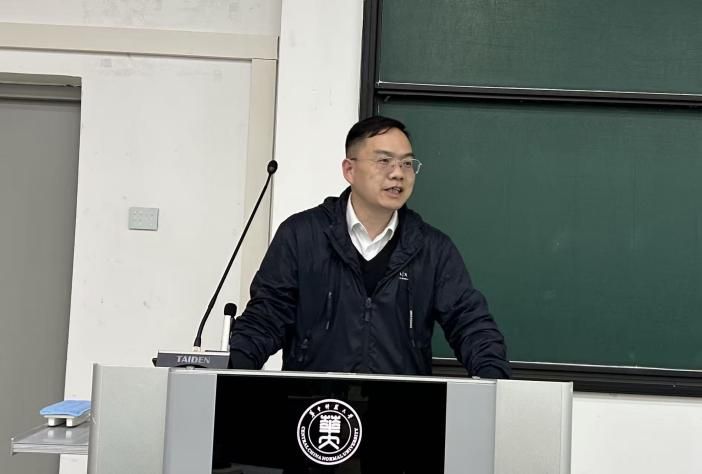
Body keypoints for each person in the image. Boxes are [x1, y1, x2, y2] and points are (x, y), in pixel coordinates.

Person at [229, 116, 510, 378]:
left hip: (403, 407)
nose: (398, 173)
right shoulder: (301, 235)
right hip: (316, 405)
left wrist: (493, 376)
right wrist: (235, 366)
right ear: (349, 170)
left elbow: (469, 323)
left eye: (407, 163)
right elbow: (267, 315)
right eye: (384, 161)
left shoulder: (433, 249)